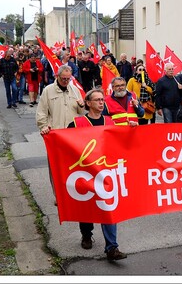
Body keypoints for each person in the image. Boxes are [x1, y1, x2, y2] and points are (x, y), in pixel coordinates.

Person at [66, 88, 127, 260]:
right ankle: (86, 234)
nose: (101, 102)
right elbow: (63, 142)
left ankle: (112, 247)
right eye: (97, 100)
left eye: (102, 100)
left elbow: (121, 142)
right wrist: (48, 133)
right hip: (85, 173)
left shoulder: (110, 121)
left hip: (105, 173)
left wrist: (132, 130)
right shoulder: (77, 124)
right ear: (88, 103)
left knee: (107, 207)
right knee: (87, 207)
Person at [36, 65, 86, 204]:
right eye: (63, 78)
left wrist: (82, 106)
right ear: (57, 76)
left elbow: (81, 114)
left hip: (73, 135)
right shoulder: (48, 91)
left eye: (68, 79)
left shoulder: (75, 90)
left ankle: (72, 192)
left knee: (73, 165)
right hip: (56, 134)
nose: (65, 81)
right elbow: (41, 112)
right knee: (56, 166)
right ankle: (58, 195)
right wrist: (44, 127)